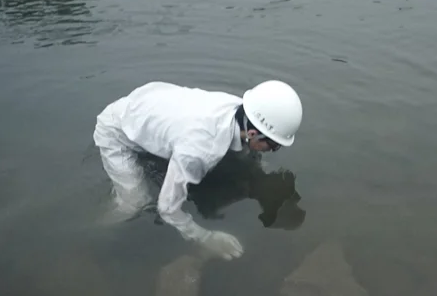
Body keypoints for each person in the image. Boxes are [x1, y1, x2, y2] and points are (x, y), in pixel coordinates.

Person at [92, 79, 303, 259]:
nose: (275, 150)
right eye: (274, 145)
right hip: (118, 130)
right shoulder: (199, 149)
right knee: (135, 203)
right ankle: (92, 231)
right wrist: (203, 237)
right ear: (254, 134)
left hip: (149, 107)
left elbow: (245, 149)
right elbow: (167, 208)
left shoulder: (242, 109)